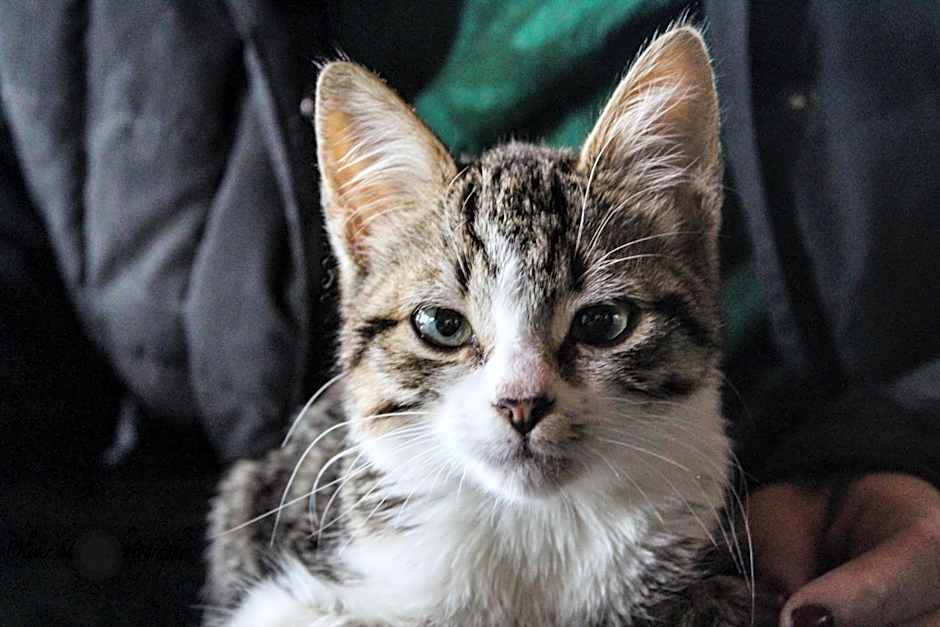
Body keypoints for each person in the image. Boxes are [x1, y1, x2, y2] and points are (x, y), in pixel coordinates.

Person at [1, 2, 937, 626]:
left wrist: (894, 446)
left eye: (600, 323)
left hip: (811, 479)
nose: (523, 397)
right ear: (360, 232)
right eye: (447, 328)